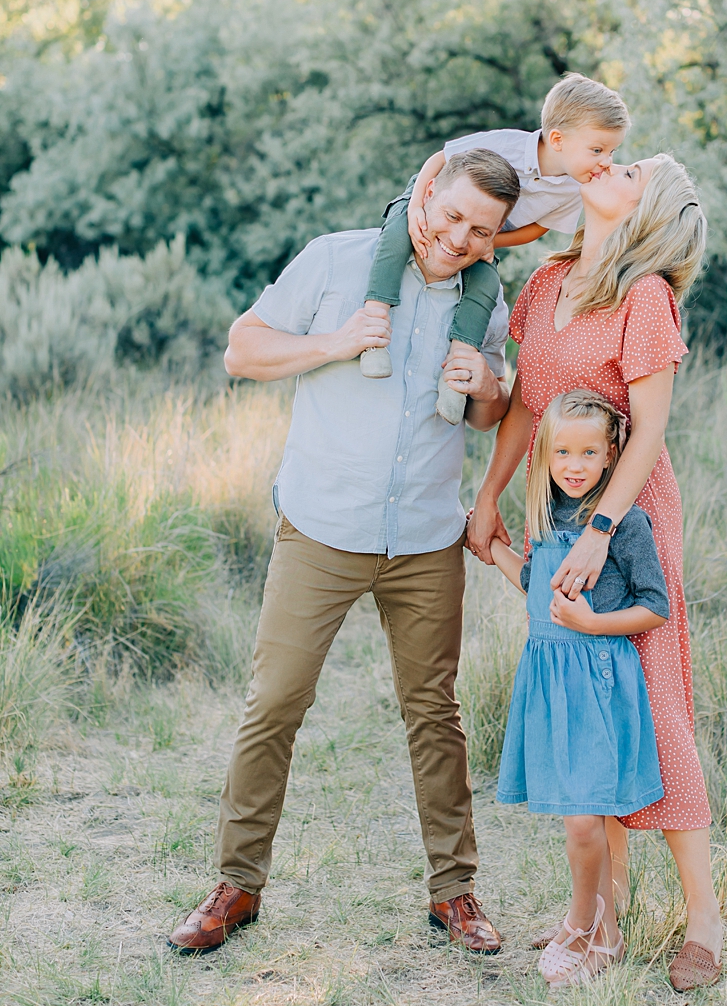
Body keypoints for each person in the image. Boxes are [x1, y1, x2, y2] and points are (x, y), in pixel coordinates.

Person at [168, 148, 519, 957]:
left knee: (435, 715)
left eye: (482, 231)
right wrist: (334, 342)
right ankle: (236, 885)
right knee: (274, 703)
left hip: (425, 539)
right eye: (453, 216)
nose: (460, 239)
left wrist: (489, 387)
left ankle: (455, 894)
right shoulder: (335, 260)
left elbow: (485, 417)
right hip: (321, 530)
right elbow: (242, 351)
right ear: (425, 193)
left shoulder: (488, 303)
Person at [467, 153, 725, 992]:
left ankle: (704, 921)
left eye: (632, 169)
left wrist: (604, 532)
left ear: (649, 211)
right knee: (590, 701)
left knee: (653, 702)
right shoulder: (547, 283)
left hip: (629, 515)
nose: (611, 163)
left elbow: (648, 430)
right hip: (557, 503)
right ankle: (603, 917)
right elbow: (529, 407)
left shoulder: (645, 297)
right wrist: (490, 495)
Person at [489, 390, 669, 987]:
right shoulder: (545, 515)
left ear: (611, 453)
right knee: (577, 817)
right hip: (549, 683)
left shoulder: (624, 522)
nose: (574, 465)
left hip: (597, 681)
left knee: (585, 823)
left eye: (589, 453)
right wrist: (490, 548)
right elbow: (539, 585)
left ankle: (581, 923)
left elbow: (656, 608)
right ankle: (602, 930)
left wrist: (592, 624)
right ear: (544, 454)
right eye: (562, 452)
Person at [359, 73, 630, 425]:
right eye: (597, 150)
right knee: (398, 237)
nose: (606, 161)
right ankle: (375, 328)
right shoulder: (509, 145)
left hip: (480, 233)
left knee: (485, 285)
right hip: (434, 197)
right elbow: (439, 159)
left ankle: (456, 375)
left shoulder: (572, 188)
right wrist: (414, 207)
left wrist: (490, 241)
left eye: (611, 152)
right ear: (558, 140)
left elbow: (536, 229)